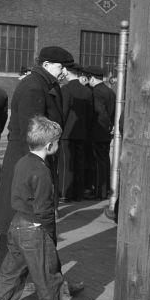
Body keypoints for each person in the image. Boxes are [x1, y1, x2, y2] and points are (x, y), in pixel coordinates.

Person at [0, 116, 88, 300]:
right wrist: (49, 233)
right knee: (48, 273)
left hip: (17, 224)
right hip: (35, 228)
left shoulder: (22, 162)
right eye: (57, 143)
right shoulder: (42, 171)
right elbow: (44, 208)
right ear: (50, 145)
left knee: (11, 272)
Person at [0, 46, 73, 272]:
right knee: (21, 217)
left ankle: (45, 275)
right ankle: (27, 275)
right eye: (60, 66)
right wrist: (39, 165)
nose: (63, 71)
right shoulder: (34, 87)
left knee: (28, 218)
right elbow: (31, 131)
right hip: (29, 159)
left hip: (34, 158)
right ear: (46, 65)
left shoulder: (44, 84)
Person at [59, 63, 93, 202]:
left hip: (67, 133)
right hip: (82, 132)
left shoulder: (66, 89)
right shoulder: (87, 91)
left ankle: (65, 193)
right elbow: (90, 114)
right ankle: (78, 194)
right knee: (79, 163)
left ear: (67, 71)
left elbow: (64, 111)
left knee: (66, 164)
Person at [83, 65, 115, 200]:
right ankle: (105, 189)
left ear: (92, 78)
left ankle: (99, 192)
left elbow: (100, 112)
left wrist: (104, 125)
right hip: (106, 132)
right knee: (105, 161)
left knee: (97, 162)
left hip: (98, 131)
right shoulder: (109, 91)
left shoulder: (96, 92)